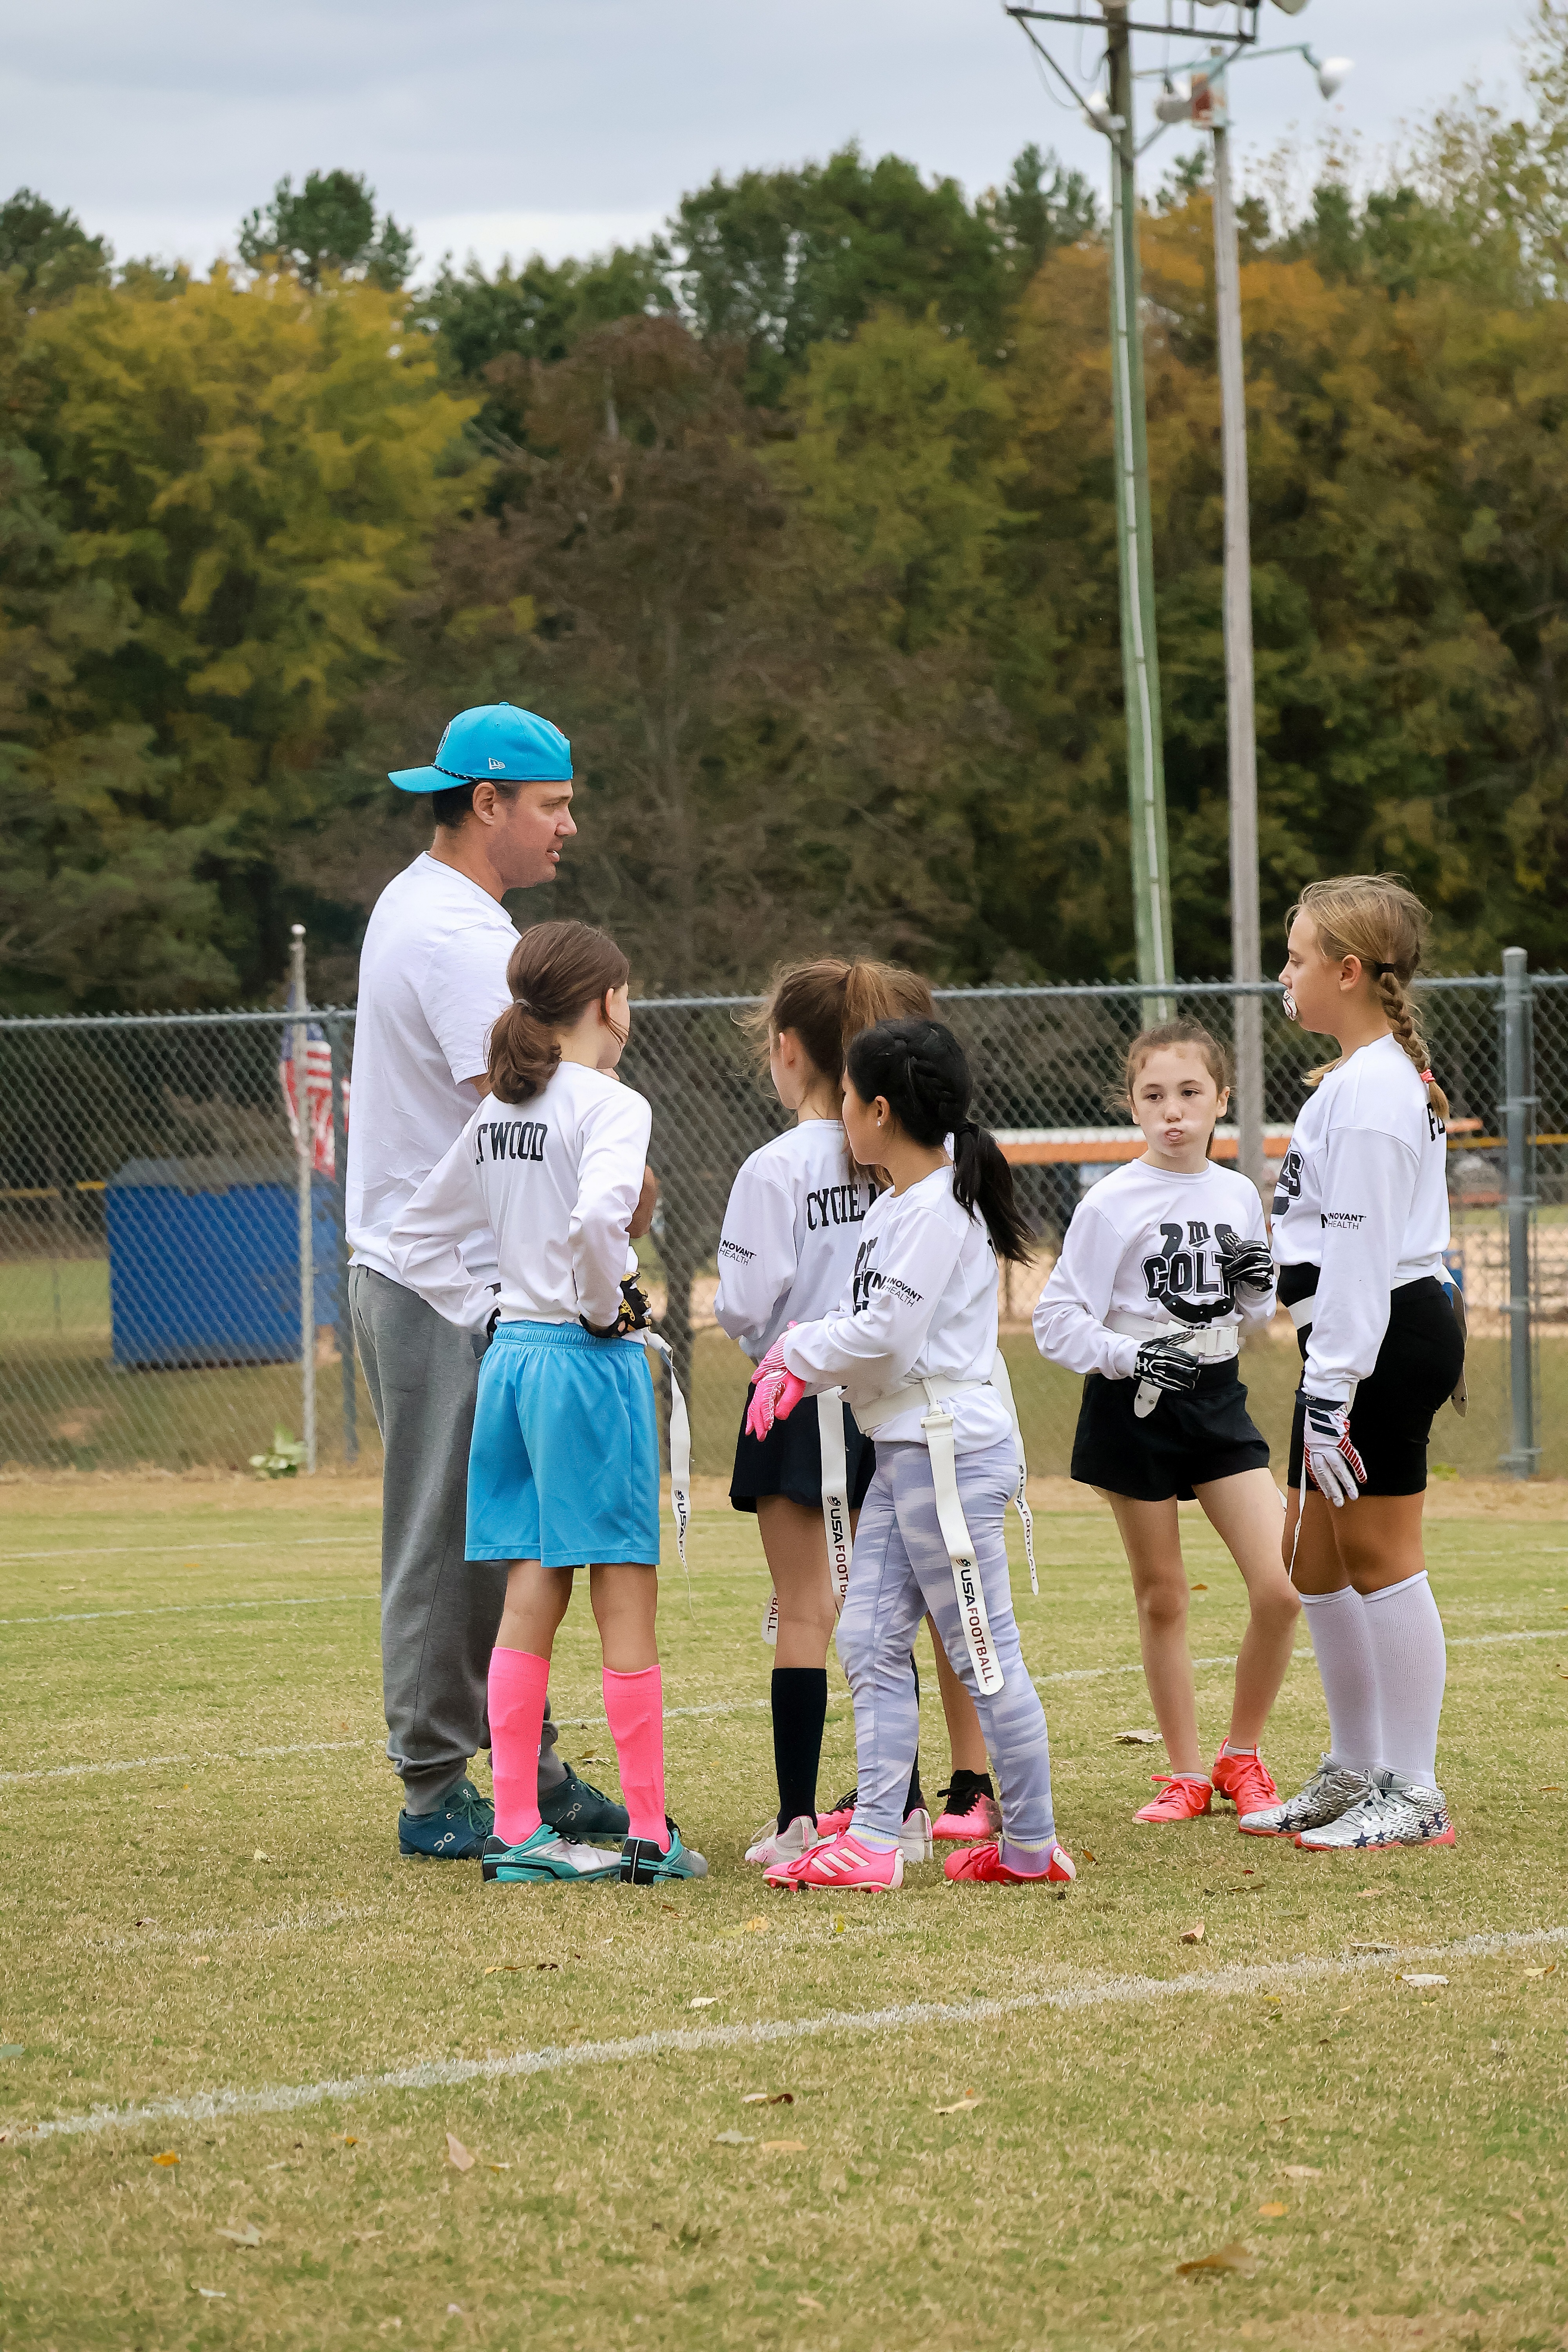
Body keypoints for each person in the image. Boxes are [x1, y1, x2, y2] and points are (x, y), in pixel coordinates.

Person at [347, 703, 649, 1860]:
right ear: (487, 803)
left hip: (461, 1273)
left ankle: (532, 1770)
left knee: (509, 1540)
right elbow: (532, 1113)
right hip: (446, 1278)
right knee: (450, 1542)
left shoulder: (437, 909)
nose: (568, 826)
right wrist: (626, 1191)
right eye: (552, 805)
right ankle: (436, 1791)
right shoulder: (456, 936)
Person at [389, 920, 705, 1887]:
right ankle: (646, 1833)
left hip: (514, 1363)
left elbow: (413, 1239)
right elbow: (599, 1218)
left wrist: (490, 1312)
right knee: (624, 1585)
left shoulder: (499, 1108)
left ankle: (519, 1830)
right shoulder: (610, 1102)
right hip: (581, 1363)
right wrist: (604, 1307)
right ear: (607, 1001)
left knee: (531, 1581)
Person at [756, 1018, 1073, 1894]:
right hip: (904, 1452)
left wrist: (797, 1353)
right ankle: (872, 1838)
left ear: (880, 1111)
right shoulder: (897, 1206)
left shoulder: (936, 1210)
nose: (840, 1113)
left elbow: (889, 1338)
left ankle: (1031, 1845)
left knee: (982, 1652)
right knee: (866, 1637)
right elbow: (870, 1330)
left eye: (848, 1098)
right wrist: (804, 1358)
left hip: (947, 1457)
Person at [714, 960, 999, 1872]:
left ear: (788, 1051)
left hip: (801, 1398)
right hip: (897, 1408)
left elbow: (743, 1306)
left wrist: (785, 1345)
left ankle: (799, 1818)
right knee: (894, 1613)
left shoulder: (775, 1166)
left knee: (809, 1614)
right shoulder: (913, 1156)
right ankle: (909, 1803)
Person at [1240, 876, 1464, 1851]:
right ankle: (1354, 1767)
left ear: (1345, 971)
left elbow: (1367, 1259)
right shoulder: (1352, 1079)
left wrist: (1331, 1391)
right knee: (1312, 1556)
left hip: (1377, 1341)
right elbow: (1321, 1236)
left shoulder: (1372, 1092)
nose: (1282, 976)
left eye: (1294, 959)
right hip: (1350, 1337)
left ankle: (1412, 1791)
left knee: (1378, 1556)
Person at [1033, 1020, 1299, 1826]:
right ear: (1132, 1105)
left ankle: (1240, 1756)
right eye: (1153, 1095)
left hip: (1216, 1400)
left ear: (1221, 1099)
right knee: (1163, 1597)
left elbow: (1253, 1312)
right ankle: (1183, 1773)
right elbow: (1055, 1320)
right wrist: (1129, 1356)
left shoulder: (1236, 1194)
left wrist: (1258, 1284)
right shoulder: (1110, 1201)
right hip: (1134, 1407)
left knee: (1282, 1589)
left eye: (1189, 1093)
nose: (1172, 1111)